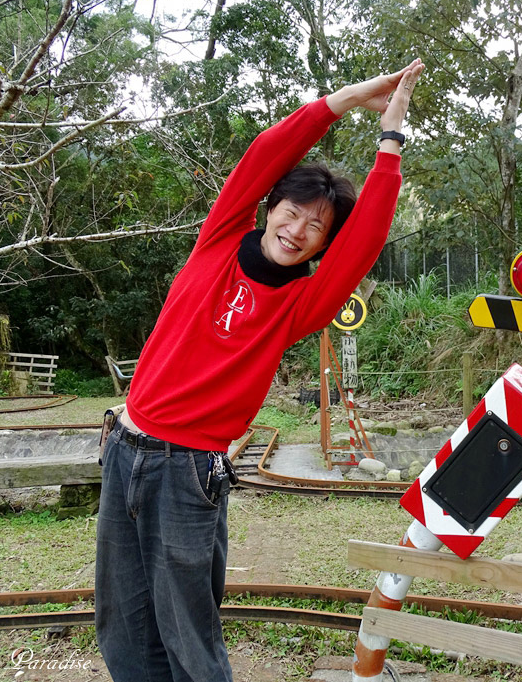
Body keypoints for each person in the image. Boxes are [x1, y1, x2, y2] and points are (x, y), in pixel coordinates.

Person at [95, 58, 425, 682]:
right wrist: (348, 99)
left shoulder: (301, 304)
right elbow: (264, 152)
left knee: (188, 632)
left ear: (325, 244)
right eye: (292, 212)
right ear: (271, 208)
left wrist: (390, 140)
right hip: (124, 445)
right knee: (123, 623)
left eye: (316, 228)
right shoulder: (217, 239)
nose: (298, 230)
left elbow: (368, 237)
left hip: (187, 470)